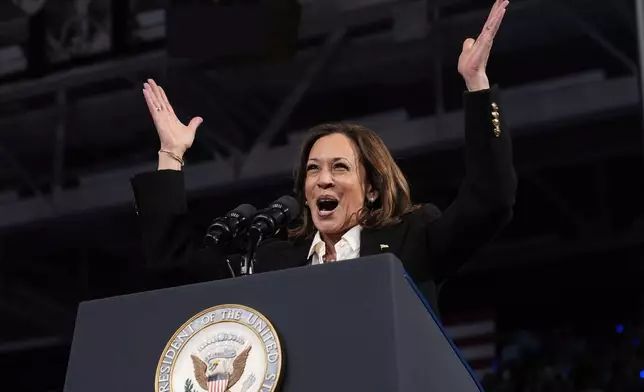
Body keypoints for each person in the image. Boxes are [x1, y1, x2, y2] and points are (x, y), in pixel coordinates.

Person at [131, 0, 516, 314]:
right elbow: (174, 264)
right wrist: (171, 155)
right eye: (313, 169)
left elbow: (490, 202)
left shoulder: (411, 241)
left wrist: (477, 86)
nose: (322, 179)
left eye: (340, 167)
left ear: (371, 189)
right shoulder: (272, 258)